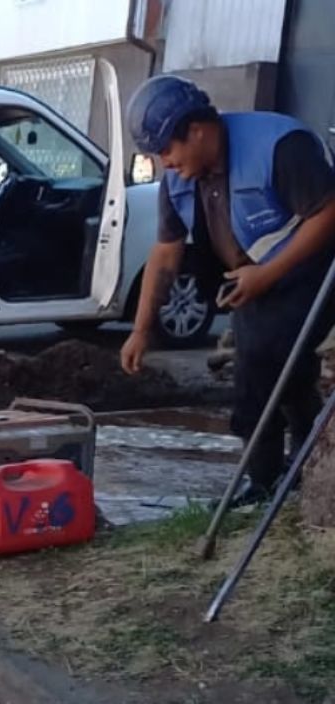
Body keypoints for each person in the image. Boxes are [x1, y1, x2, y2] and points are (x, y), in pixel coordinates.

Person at [122, 75, 335, 505]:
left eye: (167, 149)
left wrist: (269, 274)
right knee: (281, 370)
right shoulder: (180, 178)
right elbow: (166, 253)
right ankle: (303, 467)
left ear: (197, 130)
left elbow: (329, 211)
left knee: (259, 365)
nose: (164, 162)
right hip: (253, 278)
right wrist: (142, 330)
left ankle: (262, 480)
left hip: (312, 267)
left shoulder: (279, 146)